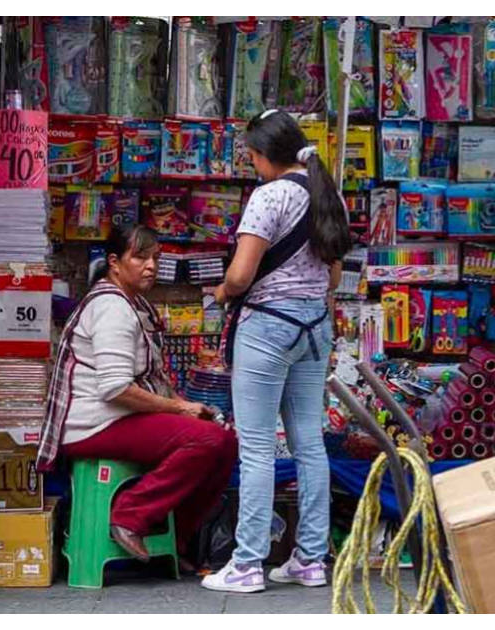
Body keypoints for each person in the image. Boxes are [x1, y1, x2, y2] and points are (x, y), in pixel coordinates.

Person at [202, 110, 352, 593]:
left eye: (252, 155)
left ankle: (247, 563)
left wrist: (223, 293)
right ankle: (310, 559)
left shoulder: (269, 197)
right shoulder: (329, 196)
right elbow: (331, 278)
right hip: (314, 327)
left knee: (259, 445)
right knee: (309, 442)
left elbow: (242, 275)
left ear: (265, 155)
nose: (252, 163)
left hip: (267, 328)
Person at [37, 223, 238, 572]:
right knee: (207, 441)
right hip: (93, 424)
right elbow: (116, 389)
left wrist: (186, 409)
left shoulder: (133, 305)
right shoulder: (113, 308)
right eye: (140, 257)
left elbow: (148, 380)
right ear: (115, 263)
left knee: (225, 444)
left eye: (155, 258)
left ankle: (177, 539)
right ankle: (131, 515)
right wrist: (179, 407)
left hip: (116, 419)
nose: (150, 266)